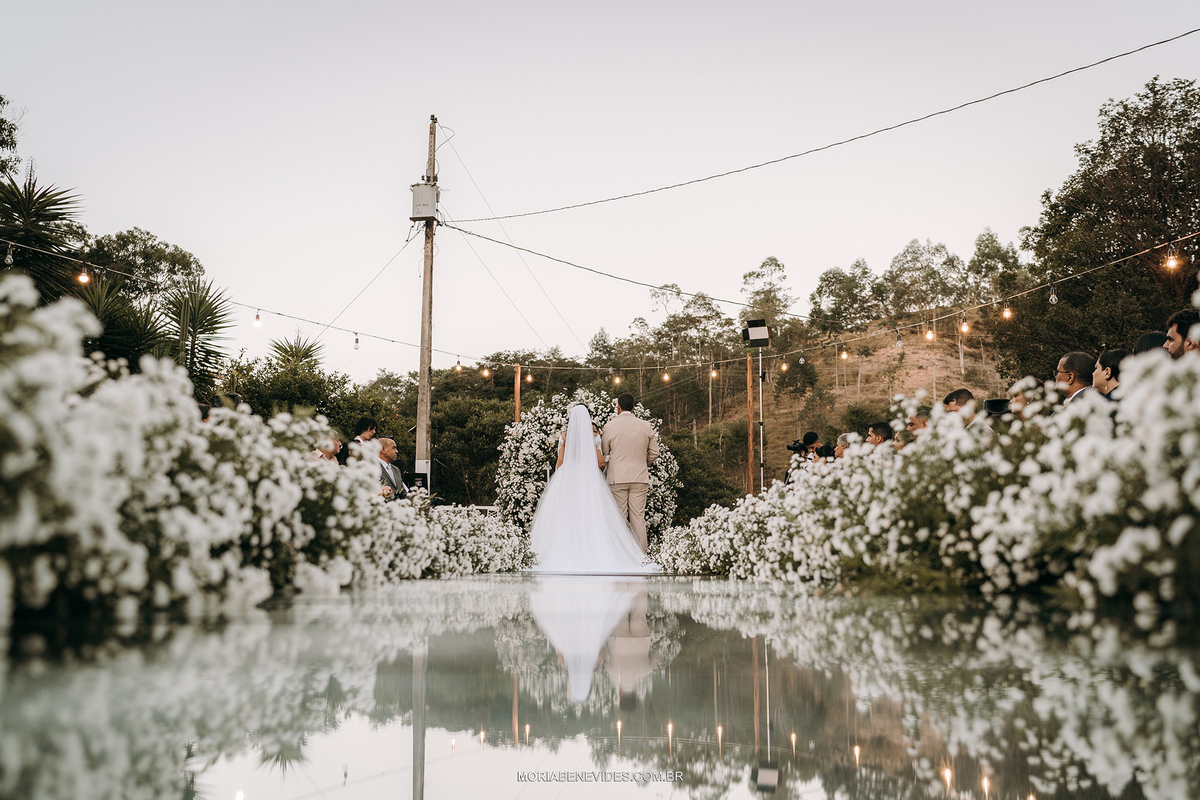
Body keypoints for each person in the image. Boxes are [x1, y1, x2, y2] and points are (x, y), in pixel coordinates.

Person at [531, 404, 659, 574]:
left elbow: (560, 462)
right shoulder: (594, 438)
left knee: (566, 516)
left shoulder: (564, 436)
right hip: (589, 477)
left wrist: (560, 480)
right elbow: (599, 462)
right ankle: (618, 552)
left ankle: (565, 550)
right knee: (592, 515)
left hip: (567, 477)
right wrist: (607, 461)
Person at [601, 393, 660, 554]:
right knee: (638, 518)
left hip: (617, 477)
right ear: (634, 407)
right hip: (639, 477)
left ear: (618, 407)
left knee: (619, 518)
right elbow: (655, 452)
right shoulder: (645, 425)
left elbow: (605, 452)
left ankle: (620, 555)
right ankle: (641, 556)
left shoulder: (610, 426)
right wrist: (643, 463)